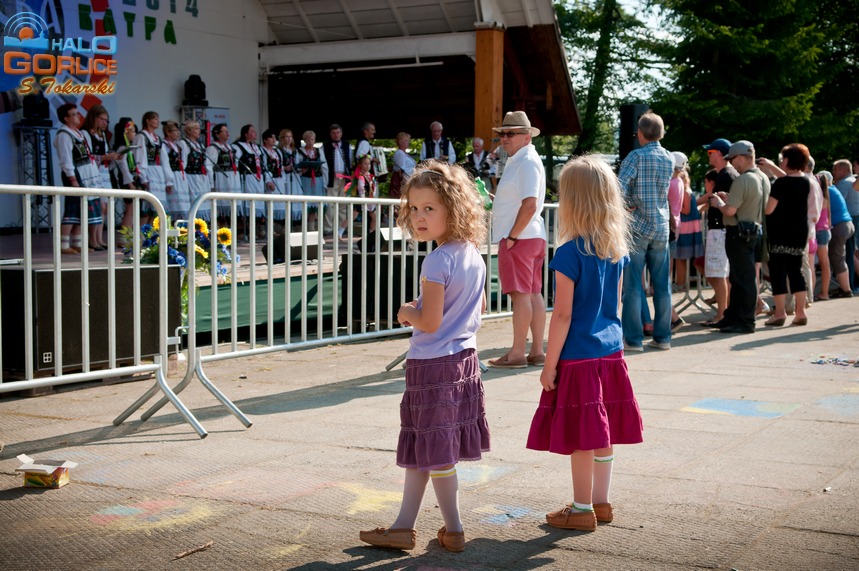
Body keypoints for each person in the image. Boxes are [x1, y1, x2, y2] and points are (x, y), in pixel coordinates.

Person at [359, 162, 490, 553]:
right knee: (423, 445)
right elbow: (477, 308)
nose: (419, 216)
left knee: (435, 452)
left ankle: (455, 529)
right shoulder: (473, 255)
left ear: (454, 208)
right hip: (463, 361)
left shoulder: (436, 260)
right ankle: (403, 526)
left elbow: (429, 322)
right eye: (414, 208)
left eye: (429, 208)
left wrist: (406, 312)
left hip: (433, 365)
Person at [525, 155, 644, 532]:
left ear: (572, 201)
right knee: (603, 431)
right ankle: (601, 503)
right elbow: (617, 304)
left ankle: (580, 509)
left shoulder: (568, 253)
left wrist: (548, 365)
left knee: (582, 436)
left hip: (578, 357)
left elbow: (562, 315)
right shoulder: (617, 250)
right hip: (611, 353)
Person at [487, 111, 547, 368]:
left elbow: (530, 204)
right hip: (528, 236)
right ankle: (535, 351)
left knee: (521, 295)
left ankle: (517, 354)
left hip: (520, 237)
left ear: (526, 136)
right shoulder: (523, 159)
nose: (504, 138)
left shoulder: (526, 161)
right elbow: (526, 202)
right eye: (502, 133)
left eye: (510, 133)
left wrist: (512, 236)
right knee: (532, 293)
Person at [618, 111, 674, 351]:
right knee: (662, 287)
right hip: (661, 227)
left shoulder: (635, 157)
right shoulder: (669, 158)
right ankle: (663, 338)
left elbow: (618, 189)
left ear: (640, 133)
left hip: (638, 227)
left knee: (632, 287)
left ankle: (633, 339)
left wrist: (629, 203)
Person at [709, 140, 770, 334]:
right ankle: (732, 317)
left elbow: (729, 211)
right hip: (754, 230)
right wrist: (730, 200)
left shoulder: (743, 180)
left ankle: (745, 321)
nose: (732, 163)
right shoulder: (763, 178)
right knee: (740, 278)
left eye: (733, 159)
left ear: (741, 158)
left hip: (739, 233)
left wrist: (719, 203)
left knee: (743, 279)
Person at [762, 144, 810, 327]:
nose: (781, 161)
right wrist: (771, 165)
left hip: (780, 232)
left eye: (783, 159)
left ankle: (780, 312)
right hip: (799, 232)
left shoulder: (780, 184)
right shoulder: (805, 182)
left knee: (778, 272)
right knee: (796, 271)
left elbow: (769, 209)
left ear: (789, 160)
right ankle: (800, 311)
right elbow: (789, 178)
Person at [699, 138, 737, 327]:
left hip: (720, 229)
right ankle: (725, 312)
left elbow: (719, 202)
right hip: (724, 228)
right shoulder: (729, 173)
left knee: (718, 274)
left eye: (710, 152)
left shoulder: (725, 175)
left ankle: (722, 313)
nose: (708, 156)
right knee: (722, 273)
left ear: (720, 154)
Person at [54, 103, 101, 254]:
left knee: (82, 209)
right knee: (72, 209)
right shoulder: (64, 135)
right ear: (66, 118)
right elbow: (66, 160)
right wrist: (73, 180)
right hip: (74, 175)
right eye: (73, 114)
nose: (78, 116)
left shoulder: (78, 133)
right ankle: (63, 245)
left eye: (77, 113)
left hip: (86, 175)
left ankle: (78, 243)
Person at [81, 104, 117, 250]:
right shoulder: (85, 133)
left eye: (107, 121)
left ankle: (99, 238)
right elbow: (89, 156)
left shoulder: (102, 135)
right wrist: (106, 157)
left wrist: (113, 157)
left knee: (105, 207)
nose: (105, 123)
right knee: (98, 205)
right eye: (102, 120)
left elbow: (104, 154)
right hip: (93, 172)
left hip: (104, 172)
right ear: (94, 118)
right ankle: (93, 239)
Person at [132, 111, 171, 223]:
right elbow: (140, 157)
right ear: (147, 121)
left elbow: (164, 159)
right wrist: (143, 177)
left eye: (158, 119)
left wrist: (168, 180)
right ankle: (142, 231)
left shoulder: (158, 139)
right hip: (148, 172)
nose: (157, 121)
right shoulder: (141, 136)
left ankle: (150, 231)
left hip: (158, 174)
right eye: (154, 119)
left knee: (157, 210)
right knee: (146, 208)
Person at [233, 124, 265, 239]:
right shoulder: (238, 146)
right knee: (248, 204)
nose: (255, 133)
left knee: (257, 204)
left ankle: (255, 230)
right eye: (252, 131)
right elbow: (235, 163)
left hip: (258, 178)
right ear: (245, 134)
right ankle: (244, 231)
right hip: (247, 178)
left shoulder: (257, 147)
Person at [110, 117, 140, 239]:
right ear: (125, 133)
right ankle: (124, 237)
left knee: (132, 209)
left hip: (132, 179)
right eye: (132, 131)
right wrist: (130, 184)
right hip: (126, 181)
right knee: (129, 208)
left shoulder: (130, 147)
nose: (134, 134)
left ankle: (129, 235)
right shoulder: (122, 148)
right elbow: (124, 169)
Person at [826, 179, 856, 298]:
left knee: (837, 258)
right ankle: (845, 286)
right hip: (847, 224)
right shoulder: (833, 188)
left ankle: (846, 290)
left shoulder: (826, 191)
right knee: (847, 257)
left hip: (839, 226)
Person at [322, 124, 352, 237]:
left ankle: (341, 228)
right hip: (332, 177)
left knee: (343, 204)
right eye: (334, 133)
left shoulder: (347, 145)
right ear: (330, 134)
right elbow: (324, 164)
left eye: (338, 132)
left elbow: (350, 160)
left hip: (344, 177)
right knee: (330, 204)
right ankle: (328, 228)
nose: (336, 135)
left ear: (341, 133)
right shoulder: (325, 146)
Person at [833, 159, 858, 293]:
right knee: (853, 252)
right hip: (855, 218)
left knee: (848, 253)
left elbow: (836, 202)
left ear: (844, 170)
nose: (834, 172)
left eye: (835, 170)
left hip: (848, 220)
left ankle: (849, 284)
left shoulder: (843, 183)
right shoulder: (854, 180)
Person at [206, 123, 239, 223]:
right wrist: (211, 184)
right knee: (222, 204)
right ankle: (222, 223)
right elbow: (209, 166)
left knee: (231, 202)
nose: (227, 133)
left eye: (227, 131)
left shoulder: (229, 147)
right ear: (217, 134)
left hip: (232, 179)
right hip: (221, 179)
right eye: (224, 131)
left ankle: (231, 223)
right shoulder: (213, 148)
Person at [180, 120, 211, 222]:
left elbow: (206, 163)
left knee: (203, 201)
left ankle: (201, 224)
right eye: (196, 129)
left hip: (202, 178)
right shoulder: (184, 143)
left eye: (199, 128)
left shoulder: (200, 145)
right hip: (191, 177)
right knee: (193, 201)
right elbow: (183, 162)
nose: (199, 131)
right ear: (189, 130)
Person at [297, 130, 327, 232]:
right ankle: (303, 226)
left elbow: (324, 167)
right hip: (305, 180)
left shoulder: (319, 151)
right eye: (308, 139)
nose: (310, 141)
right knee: (305, 203)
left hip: (317, 180)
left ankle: (311, 227)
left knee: (314, 204)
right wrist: (301, 170)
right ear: (304, 140)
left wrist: (325, 182)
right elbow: (296, 165)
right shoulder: (300, 151)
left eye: (312, 139)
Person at [162, 120, 191, 221]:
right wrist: (169, 181)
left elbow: (184, 161)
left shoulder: (178, 146)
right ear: (168, 132)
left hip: (180, 176)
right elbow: (165, 163)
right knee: (175, 204)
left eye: (178, 131)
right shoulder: (164, 145)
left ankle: (183, 226)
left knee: (184, 204)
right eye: (175, 131)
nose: (178, 133)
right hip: (172, 176)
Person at [814, 171, 833, 300]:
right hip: (825, 230)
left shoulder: (819, 198)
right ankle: (824, 292)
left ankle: (824, 292)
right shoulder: (826, 197)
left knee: (823, 263)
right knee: (824, 263)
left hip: (820, 231)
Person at [261, 129, 287, 223]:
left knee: (279, 203)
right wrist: (268, 181)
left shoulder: (278, 151)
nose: (273, 139)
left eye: (274, 137)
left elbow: (281, 166)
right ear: (265, 140)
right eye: (271, 137)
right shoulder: (262, 151)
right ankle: (267, 225)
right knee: (269, 203)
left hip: (279, 179)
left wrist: (284, 180)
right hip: (270, 180)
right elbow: (263, 167)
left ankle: (276, 225)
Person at [278, 129, 303, 226]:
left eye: (290, 137)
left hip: (295, 177)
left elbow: (297, 164)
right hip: (286, 177)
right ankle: (286, 221)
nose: (289, 139)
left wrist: (301, 169)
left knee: (296, 196)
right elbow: (278, 165)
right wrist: (285, 168)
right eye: (286, 137)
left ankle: (295, 222)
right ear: (282, 138)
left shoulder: (295, 151)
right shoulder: (279, 150)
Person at [390, 132, 415, 200]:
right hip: (403, 182)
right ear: (400, 142)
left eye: (408, 140)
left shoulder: (405, 153)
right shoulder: (399, 153)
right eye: (406, 140)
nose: (408, 142)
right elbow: (402, 169)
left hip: (409, 181)